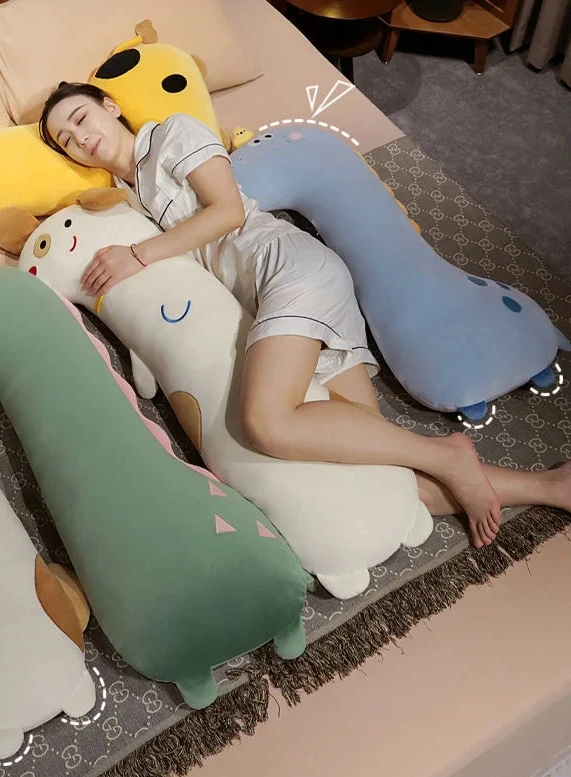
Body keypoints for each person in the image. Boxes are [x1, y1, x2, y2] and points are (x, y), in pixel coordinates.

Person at [39, 81, 571, 549]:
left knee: (266, 422)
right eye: (66, 140)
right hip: (269, 304)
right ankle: (551, 487)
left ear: (110, 106)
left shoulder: (172, 134)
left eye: (81, 118)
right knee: (387, 476)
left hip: (288, 269)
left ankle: (449, 453)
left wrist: (138, 255)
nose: (80, 138)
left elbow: (227, 211)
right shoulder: (124, 201)